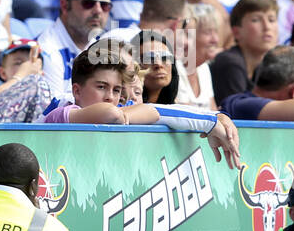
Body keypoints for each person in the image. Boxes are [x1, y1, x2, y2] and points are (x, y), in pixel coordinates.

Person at [42, 42, 242, 168]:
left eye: (116, 90)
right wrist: (207, 122)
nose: (110, 97)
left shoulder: (120, 108)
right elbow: (114, 115)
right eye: (101, 87)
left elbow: (161, 110)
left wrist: (215, 118)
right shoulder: (63, 112)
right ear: (76, 91)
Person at [33, 0, 112, 103]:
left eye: (105, 5)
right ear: (64, 5)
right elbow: (52, 112)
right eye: (88, 3)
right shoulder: (45, 50)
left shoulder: (103, 50)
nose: (98, 10)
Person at [210, 0, 277, 105]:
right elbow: (238, 114)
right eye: (256, 20)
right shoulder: (230, 63)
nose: (267, 27)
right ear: (236, 32)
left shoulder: (270, 65)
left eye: (271, 19)